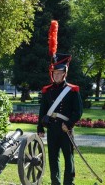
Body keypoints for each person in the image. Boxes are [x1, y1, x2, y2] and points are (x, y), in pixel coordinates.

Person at [37, 53, 83, 185]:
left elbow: (78, 111)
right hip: (52, 128)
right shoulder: (47, 90)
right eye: (54, 73)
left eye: (59, 73)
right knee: (53, 158)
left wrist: (68, 124)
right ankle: (55, 182)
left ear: (64, 74)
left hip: (65, 129)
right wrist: (40, 127)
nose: (56, 76)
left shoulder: (72, 90)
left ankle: (69, 182)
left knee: (68, 158)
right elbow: (43, 111)